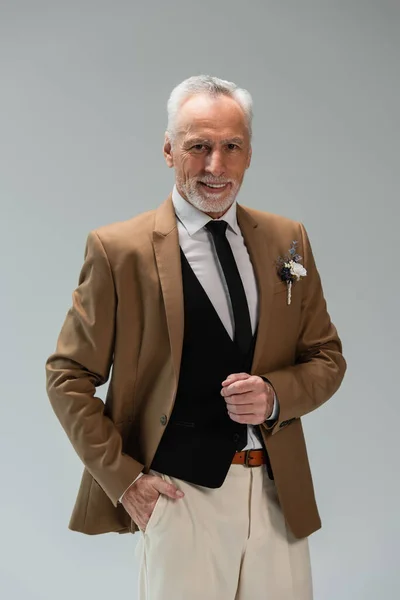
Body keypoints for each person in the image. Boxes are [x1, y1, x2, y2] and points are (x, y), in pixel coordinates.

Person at [45, 74, 346, 600]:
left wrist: (276, 395)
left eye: (231, 147)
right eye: (198, 147)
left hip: (278, 495)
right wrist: (125, 480)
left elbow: (326, 358)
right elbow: (67, 375)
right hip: (181, 499)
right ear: (168, 150)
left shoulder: (287, 240)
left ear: (249, 154)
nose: (216, 166)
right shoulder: (120, 251)